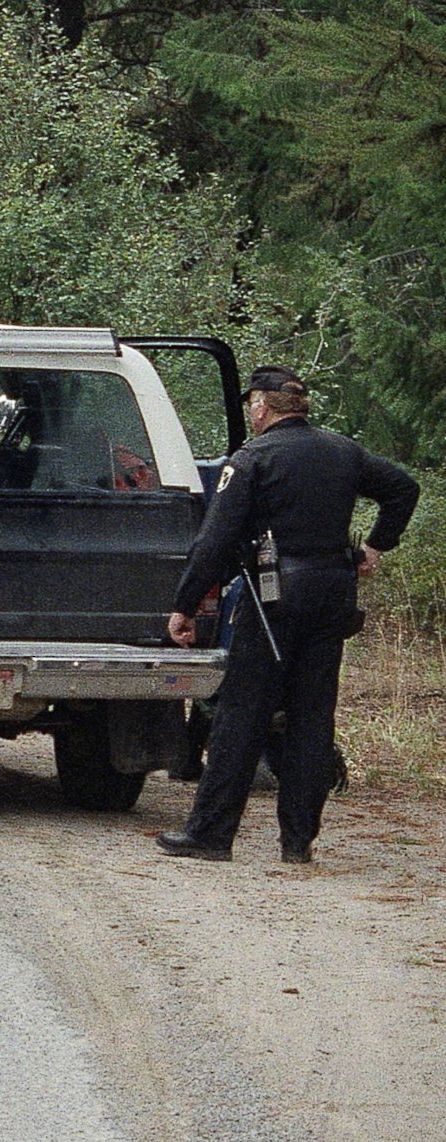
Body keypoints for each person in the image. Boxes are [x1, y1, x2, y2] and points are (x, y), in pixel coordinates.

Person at [158, 367, 420, 863]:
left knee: (242, 714)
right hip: (333, 596)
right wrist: (375, 545)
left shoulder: (253, 457)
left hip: (277, 598)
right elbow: (403, 489)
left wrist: (185, 605)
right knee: (311, 717)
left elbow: (214, 540)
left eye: (251, 404)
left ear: (261, 406)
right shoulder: (344, 451)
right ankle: (298, 843)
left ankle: (211, 834)